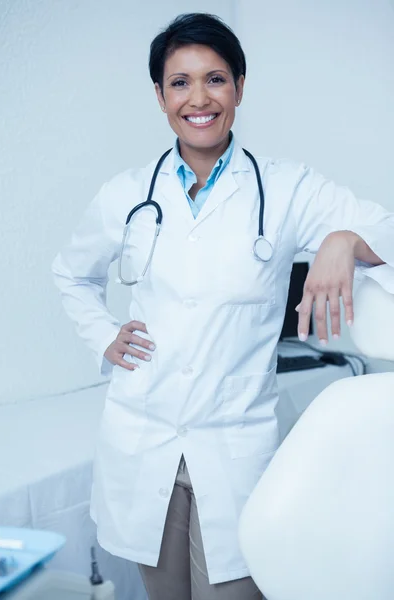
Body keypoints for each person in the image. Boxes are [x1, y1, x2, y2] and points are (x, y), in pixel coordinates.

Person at [51, 12, 394, 600]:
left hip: (234, 444)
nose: (198, 98)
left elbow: (385, 233)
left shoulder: (288, 189)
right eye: (180, 82)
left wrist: (342, 242)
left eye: (215, 79)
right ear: (160, 96)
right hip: (143, 434)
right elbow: (70, 274)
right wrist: (102, 336)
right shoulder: (127, 193)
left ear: (239, 86)